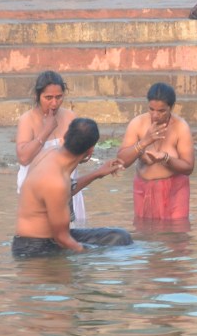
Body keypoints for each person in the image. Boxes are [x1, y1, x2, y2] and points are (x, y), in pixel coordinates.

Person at [13, 118, 131, 257]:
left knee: (119, 237)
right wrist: (91, 257)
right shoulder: (56, 182)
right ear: (90, 151)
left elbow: (62, 193)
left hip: (46, 240)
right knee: (112, 250)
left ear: (65, 137)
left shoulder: (48, 153)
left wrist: (98, 173)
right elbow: (62, 239)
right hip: (34, 249)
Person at [116, 82, 195, 220]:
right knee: (144, 230)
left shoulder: (181, 127)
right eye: (151, 109)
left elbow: (188, 168)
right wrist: (143, 143)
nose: (155, 115)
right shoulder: (137, 123)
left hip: (176, 191)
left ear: (171, 107)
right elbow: (121, 161)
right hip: (143, 189)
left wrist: (165, 158)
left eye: (161, 111)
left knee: (177, 230)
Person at [15, 70, 86, 222]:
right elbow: (23, 158)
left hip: (69, 191)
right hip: (37, 196)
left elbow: (80, 155)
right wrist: (46, 130)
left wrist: (83, 153)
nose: (54, 103)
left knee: (73, 233)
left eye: (58, 97)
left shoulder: (70, 117)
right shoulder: (27, 120)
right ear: (37, 96)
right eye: (48, 98)